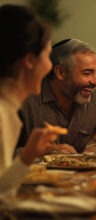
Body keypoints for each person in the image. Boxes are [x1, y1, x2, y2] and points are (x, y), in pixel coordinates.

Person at [16, 38, 96, 153]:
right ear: (60, 72)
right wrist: (42, 152)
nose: (95, 81)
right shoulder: (25, 101)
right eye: (87, 73)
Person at [0, 4, 62, 197]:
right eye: (47, 55)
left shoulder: (7, 108)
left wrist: (28, 154)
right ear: (29, 60)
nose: (49, 66)